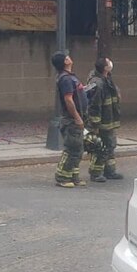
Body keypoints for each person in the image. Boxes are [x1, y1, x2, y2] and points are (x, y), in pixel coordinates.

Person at [86, 57, 124, 183]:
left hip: (109, 120)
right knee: (101, 147)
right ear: (105, 67)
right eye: (108, 62)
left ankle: (110, 171)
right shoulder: (98, 83)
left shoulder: (107, 79)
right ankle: (96, 173)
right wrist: (95, 124)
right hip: (102, 123)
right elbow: (94, 105)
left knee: (110, 145)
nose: (111, 63)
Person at [53, 51, 88, 188]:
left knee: (78, 149)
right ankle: (62, 177)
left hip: (75, 118)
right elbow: (68, 99)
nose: (69, 57)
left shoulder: (70, 77)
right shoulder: (66, 79)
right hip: (71, 120)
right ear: (65, 62)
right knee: (71, 148)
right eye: (66, 57)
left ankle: (73, 176)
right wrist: (77, 117)